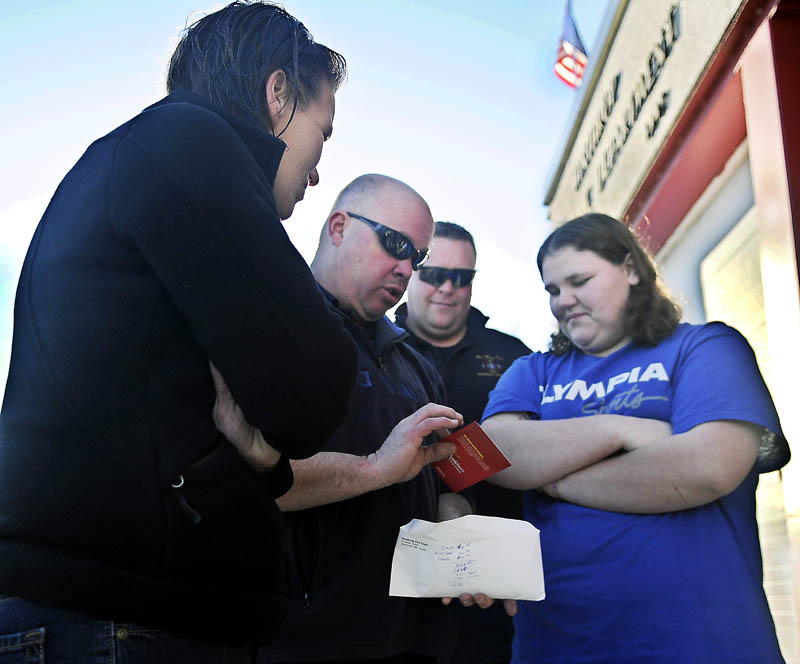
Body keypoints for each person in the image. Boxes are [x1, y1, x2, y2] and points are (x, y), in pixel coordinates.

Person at [0, 3, 359, 662]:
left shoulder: (149, 153)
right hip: (121, 618)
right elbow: (314, 393)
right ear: (278, 91)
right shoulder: (190, 143)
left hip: (112, 609)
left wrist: (266, 460)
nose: (316, 173)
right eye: (324, 134)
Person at [214, 173, 512, 664]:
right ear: (338, 227)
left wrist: (461, 539)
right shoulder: (268, 326)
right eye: (395, 244)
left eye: (417, 257)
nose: (405, 268)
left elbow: (452, 486)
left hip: (418, 639)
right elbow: (235, 482)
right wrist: (375, 465)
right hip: (304, 641)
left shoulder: (416, 363)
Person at [481, 213, 790, 663]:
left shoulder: (705, 348)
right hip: (559, 645)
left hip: (702, 642)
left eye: (579, 280)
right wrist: (619, 430)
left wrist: (550, 476)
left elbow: (707, 468)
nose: (563, 300)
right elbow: (493, 452)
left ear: (629, 268)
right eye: (552, 289)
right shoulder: (534, 370)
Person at [395, 221, 531, 664]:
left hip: (491, 586)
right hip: (394, 587)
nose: (448, 287)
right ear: (412, 271)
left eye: (463, 277)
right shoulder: (373, 346)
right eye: (435, 273)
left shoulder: (514, 357)